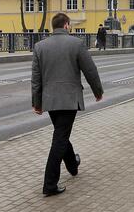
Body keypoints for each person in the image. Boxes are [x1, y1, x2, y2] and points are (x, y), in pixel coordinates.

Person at [31, 12, 104, 197]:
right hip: (69, 99)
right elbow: (90, 70)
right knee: (60, 137)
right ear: (66, 25)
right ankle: (49, 184)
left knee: (61, 134)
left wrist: (36, 102)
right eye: (69, 25)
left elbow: (36, 79)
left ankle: (72, 164)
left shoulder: (39, 47)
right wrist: (98, 91)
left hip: (50, 100)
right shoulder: (76, 44)